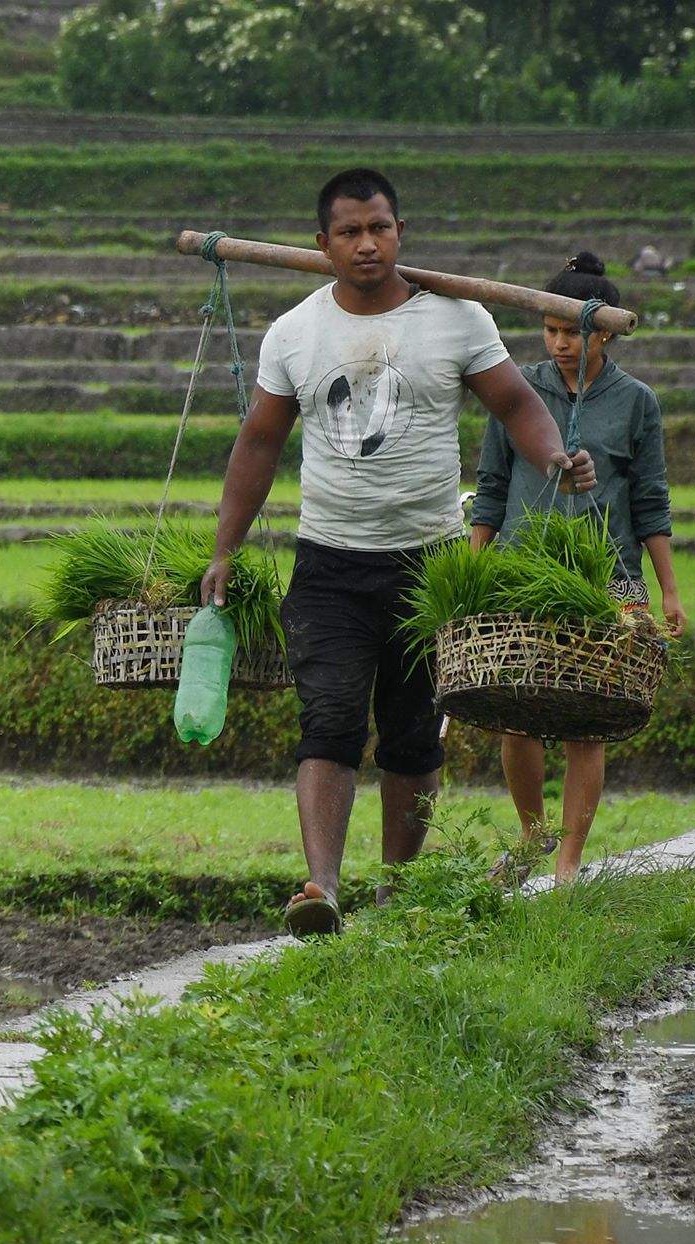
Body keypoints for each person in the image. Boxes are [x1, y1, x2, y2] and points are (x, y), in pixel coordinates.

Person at [201, 167, 595, 937]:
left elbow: (517, 402)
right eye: (349, 232)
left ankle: (394, 893)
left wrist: (554, 458)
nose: (366, 243)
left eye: (379, 227)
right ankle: (321, 887)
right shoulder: (296, 332)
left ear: (400, 233)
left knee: (413, 737)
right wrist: (225, 547)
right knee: (330, 722)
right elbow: (259, 442)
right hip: (330, 561)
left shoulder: (457, 319)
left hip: (430, 568)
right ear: (323, 244)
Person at [470, 251, 686, 884]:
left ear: (608, 333)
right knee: (517, 707)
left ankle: (568, 861)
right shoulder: (515, 388)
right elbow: (490, 485)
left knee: (589, 713)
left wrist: (668, 590)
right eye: (552, 330)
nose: (561, 343)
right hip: (519, 570)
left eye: (575, 332)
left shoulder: (637, 403)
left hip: (609, 576)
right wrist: (475, 570)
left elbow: (650, 501)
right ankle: (534, 835)